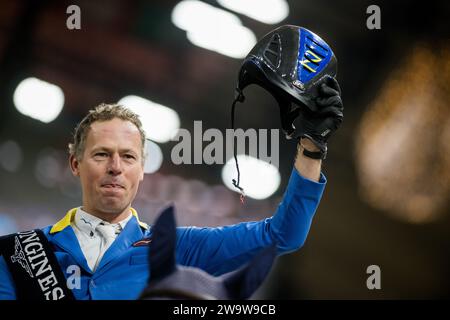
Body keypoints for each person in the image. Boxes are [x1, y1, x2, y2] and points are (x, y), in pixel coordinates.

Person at [0, 73, 342, 299]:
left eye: (129, 157)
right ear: (76, 163)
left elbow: (282, 235)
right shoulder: (16, 255)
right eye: (102, 154)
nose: (116, 167)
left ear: (143, 169)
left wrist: (312, 145)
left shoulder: (180, 248)